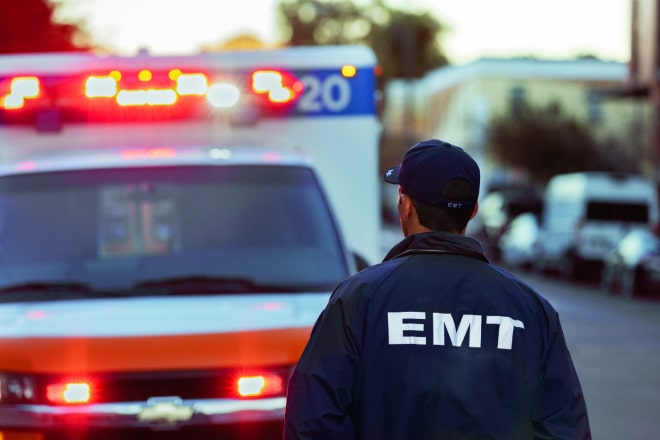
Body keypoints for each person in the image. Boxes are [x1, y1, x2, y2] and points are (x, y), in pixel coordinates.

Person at [283, 138, 591, 440]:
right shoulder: (530, 310)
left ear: (404, 205)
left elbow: (313, 419)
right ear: (472, 211)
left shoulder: (360, 298)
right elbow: (563, 427)